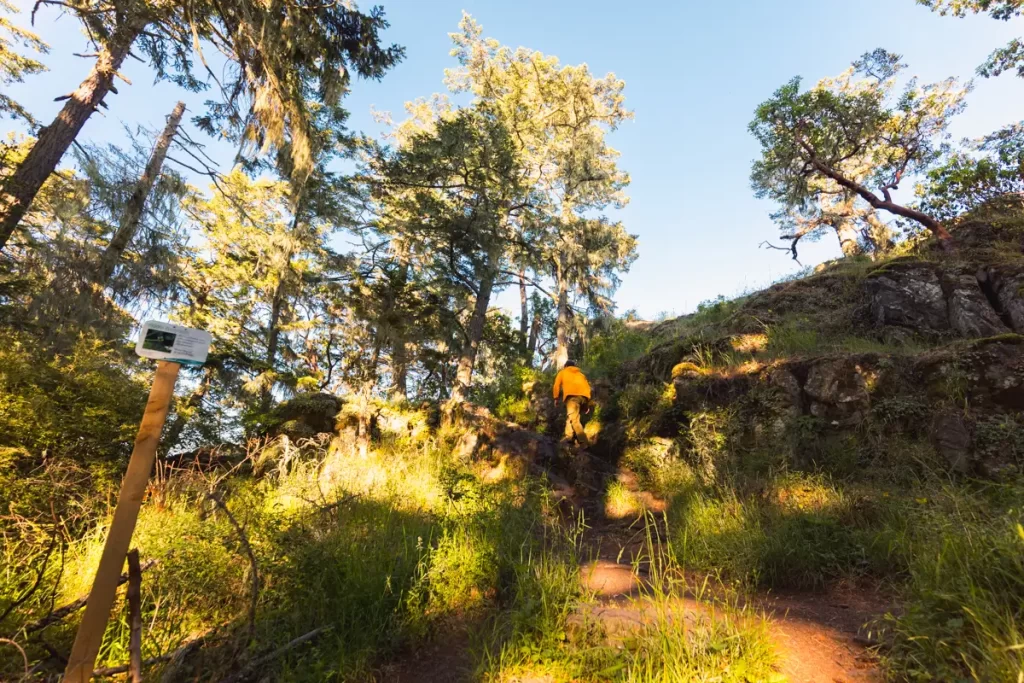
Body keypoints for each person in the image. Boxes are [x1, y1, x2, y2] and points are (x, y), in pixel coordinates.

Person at [553, 360, 591, 449]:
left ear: (565, 366)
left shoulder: (563, 372)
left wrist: (556, 398)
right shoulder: (581, 375)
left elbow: (556, 385)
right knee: (572, 417)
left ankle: (584, 442)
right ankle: (569, 437)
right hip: (583, 397)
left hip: (572, 397)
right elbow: (587, 389)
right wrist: (586, 405)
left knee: (575, 420)